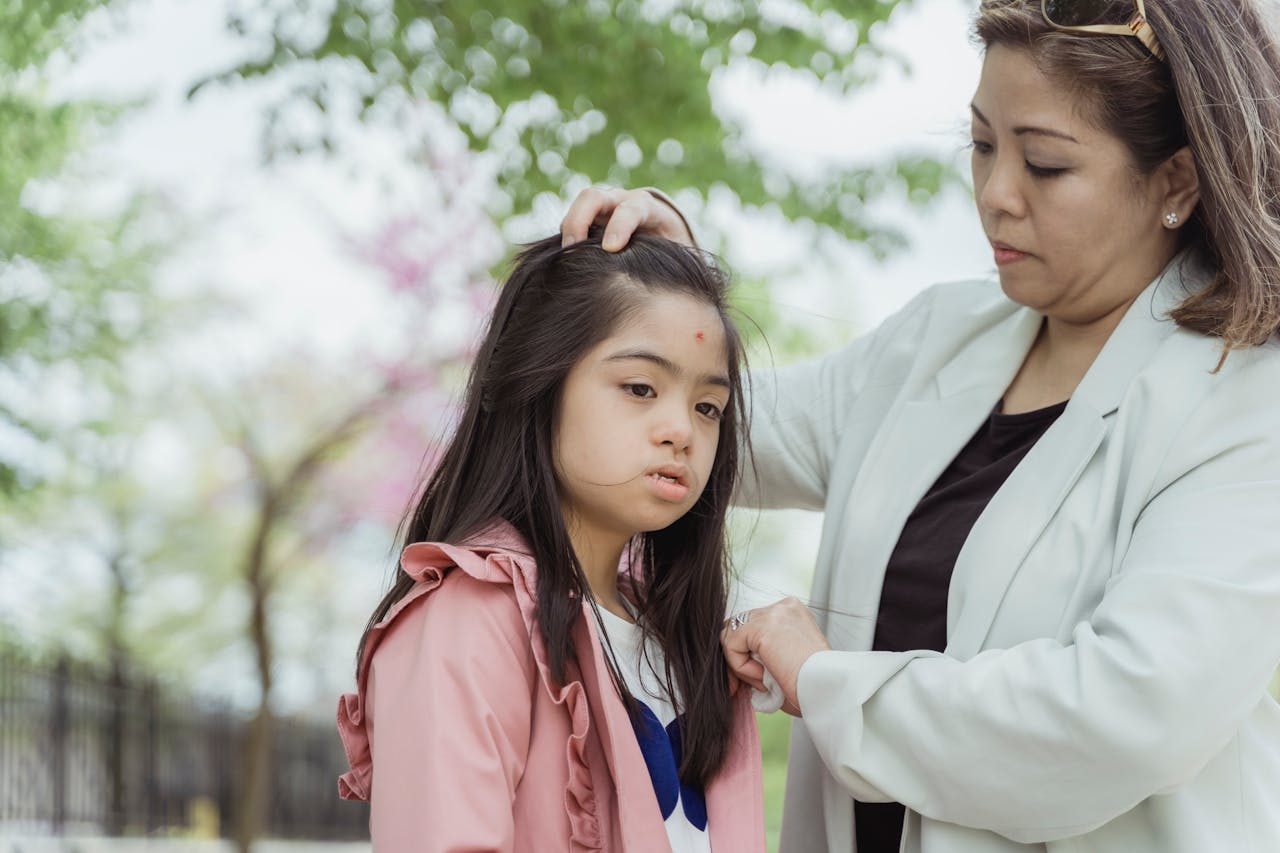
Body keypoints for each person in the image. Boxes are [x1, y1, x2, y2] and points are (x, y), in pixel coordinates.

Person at [559, 0, 1280, 850]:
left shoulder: (1246, 397)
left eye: (1044, 165)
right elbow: (716, 435)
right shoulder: (934, 340)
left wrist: (830, 682)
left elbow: (1129, 713)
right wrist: (661, 298)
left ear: (1177, 182)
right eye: (981, 145)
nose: (996, 195)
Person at [335, 232, 767, 851]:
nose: (681, 431)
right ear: (539, 385)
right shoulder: (470, 618)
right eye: (640, 388)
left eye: (708, 407)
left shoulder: (681, 638)